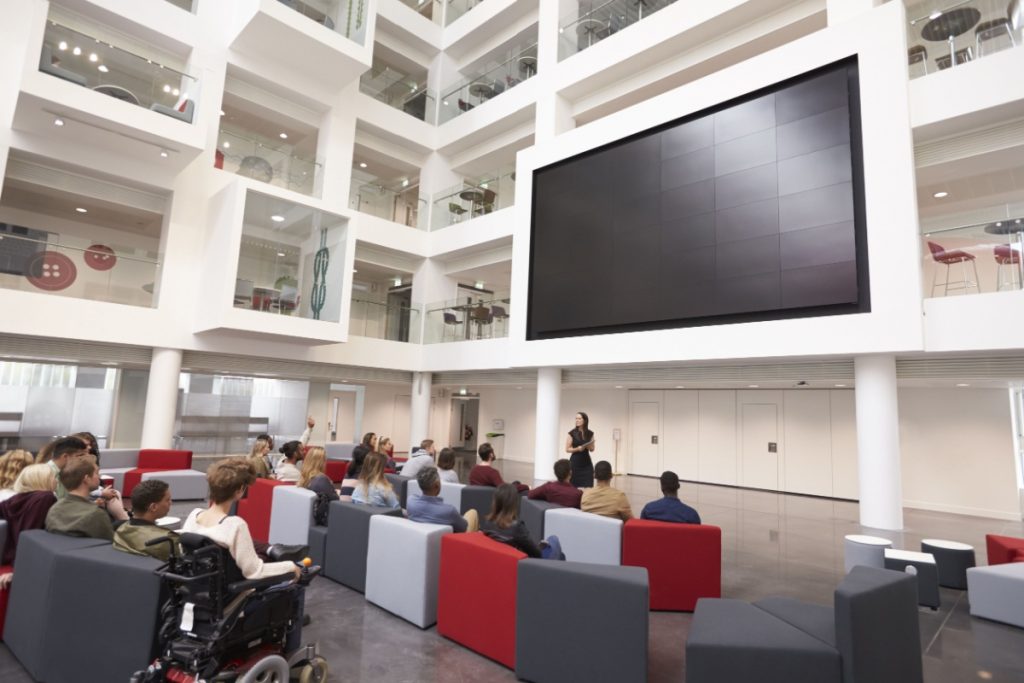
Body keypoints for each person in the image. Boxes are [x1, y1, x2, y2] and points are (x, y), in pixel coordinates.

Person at [182, 458, 300, 580]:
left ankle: (273, 549)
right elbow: (254, 572)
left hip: (197, 581)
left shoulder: (193, 514)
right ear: (240, 490)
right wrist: (290, 567)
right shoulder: (235, 525)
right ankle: (276, 551)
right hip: (229, 589)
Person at [45, 455, 128, 540]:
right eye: (97, 473)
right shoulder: (95, 514)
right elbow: (110, 543)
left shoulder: (54, 509)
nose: (99, 477)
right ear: (87, 478)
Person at [481, 484, 563, 560]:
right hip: (524, 564)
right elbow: (536, 553)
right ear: (513, 503)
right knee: (554, 539)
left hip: (503, 561)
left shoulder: (488, 523)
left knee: (559, 554)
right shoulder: (516, 527)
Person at [0, 463, 58, 567]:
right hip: (30, 560)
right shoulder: (45, 498)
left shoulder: (13, 500)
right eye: (53, 477)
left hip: (10, 557)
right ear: (43, 479)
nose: (56, 481)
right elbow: (30, 532)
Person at [113, 479, 178, 561]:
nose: (170, 502)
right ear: (153, 507)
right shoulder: (167, 540)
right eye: (167, 500)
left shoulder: (119, 529)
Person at [407, 467, 477, 532]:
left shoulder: (411, 502)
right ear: (437, 485)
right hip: (450, 541)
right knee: (473, 512)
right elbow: (464, 527)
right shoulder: (449, 511)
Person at [297, 446, 338, 525]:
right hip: (325, 520)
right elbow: (336, 501)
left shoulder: (304, 478)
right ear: (321, 462)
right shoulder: (321, 479)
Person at [566, 411, 595, 488]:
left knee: (589, 486)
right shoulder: (571, 433)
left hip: (587, 464)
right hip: (575, 463)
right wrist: (577, 449)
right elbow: (567, 449)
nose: (577, 420)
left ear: (584, 420)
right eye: (576, 419)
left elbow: (592, 449)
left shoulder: (590, 433)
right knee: (573, 486)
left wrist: (587, 445)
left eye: (579, 418)